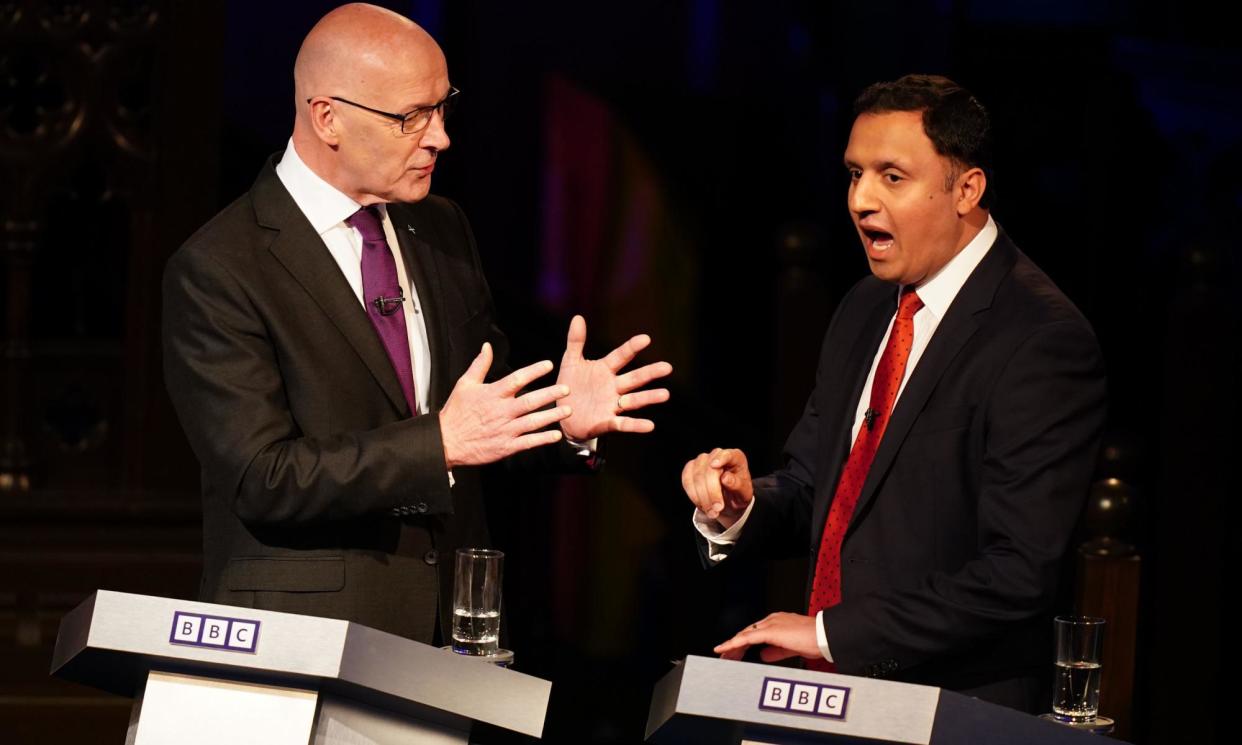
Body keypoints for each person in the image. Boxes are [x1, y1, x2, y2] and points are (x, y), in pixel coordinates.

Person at [162, 3, 671, 644]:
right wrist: (438, 445)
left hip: (451, 632)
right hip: (304, 641)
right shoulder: (220, 266)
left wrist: (559, 423)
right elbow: (263, 478)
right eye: (411, 117)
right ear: (328, 118)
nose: (439, 137)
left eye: (442, 108)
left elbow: (479, 423)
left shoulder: (440, 227)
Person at [681, 74, 1106, 712]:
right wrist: (741, 505)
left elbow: (1016, 572)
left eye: (891, 176)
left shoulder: (1041, 339)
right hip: (830, 695)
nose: (860, 200)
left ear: (967, 189)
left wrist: (828, 635)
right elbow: (811, 487)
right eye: (854, 174)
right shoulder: (864, 306)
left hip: (953, 705)